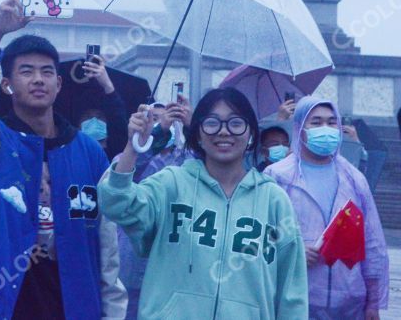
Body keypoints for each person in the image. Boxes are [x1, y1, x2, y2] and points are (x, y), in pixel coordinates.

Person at [0, 0, 126, 319]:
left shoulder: (87, 151)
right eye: (26, 71)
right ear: (7, 84)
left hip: (74, 305)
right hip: (4, 306)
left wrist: (112, 312)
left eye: (46, 72)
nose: (38, 79)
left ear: (59, 84)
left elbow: (107, 245)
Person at [99, 87, 308, 319]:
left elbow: (292, 293)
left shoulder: (274, 201)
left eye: (236, 123)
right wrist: (133, 146)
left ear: (250, 134)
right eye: (212, 123)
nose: (224, 132)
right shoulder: (171, 184)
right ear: (197, 133)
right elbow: (115, 203)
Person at [264, 97, 389, 319]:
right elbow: (260, 237)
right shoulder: (277, 176)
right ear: (300, 128)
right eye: (316, 122)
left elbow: (372, 242)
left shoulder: (354, 178)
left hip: (350, 303)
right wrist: (292, 252)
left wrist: (373, 302)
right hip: (294, 303)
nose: (326, 129)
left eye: (332, 122)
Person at [115, 98, 194, 319]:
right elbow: (123, 179)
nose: (165, 123)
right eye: (155, 120)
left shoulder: (188, 158)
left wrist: (193, 125)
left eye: (171, 118)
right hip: (133, 261)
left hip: (178, 261)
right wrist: (158, 133)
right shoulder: (130, 156)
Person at [76, 54, 129, 160]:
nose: (94, 120)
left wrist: (108, 86)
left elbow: (118, 120)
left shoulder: (117, 153)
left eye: (99, 116)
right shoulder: (72, 153)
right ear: (78, 124)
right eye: (88, 116)